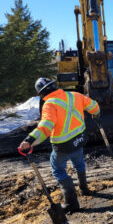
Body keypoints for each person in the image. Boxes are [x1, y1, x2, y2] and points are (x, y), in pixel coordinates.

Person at [18, 77, 100, 213]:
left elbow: (45, 127)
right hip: (80, 140)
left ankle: (71, 202)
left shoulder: (49, 104)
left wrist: (29, 140)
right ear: (54, 86)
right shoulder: (75, 95)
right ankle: (84, 189)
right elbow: (94, 106)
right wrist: (96, 113)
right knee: (79, 162)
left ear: (40, 94)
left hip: (63, 146)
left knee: (58, 169)